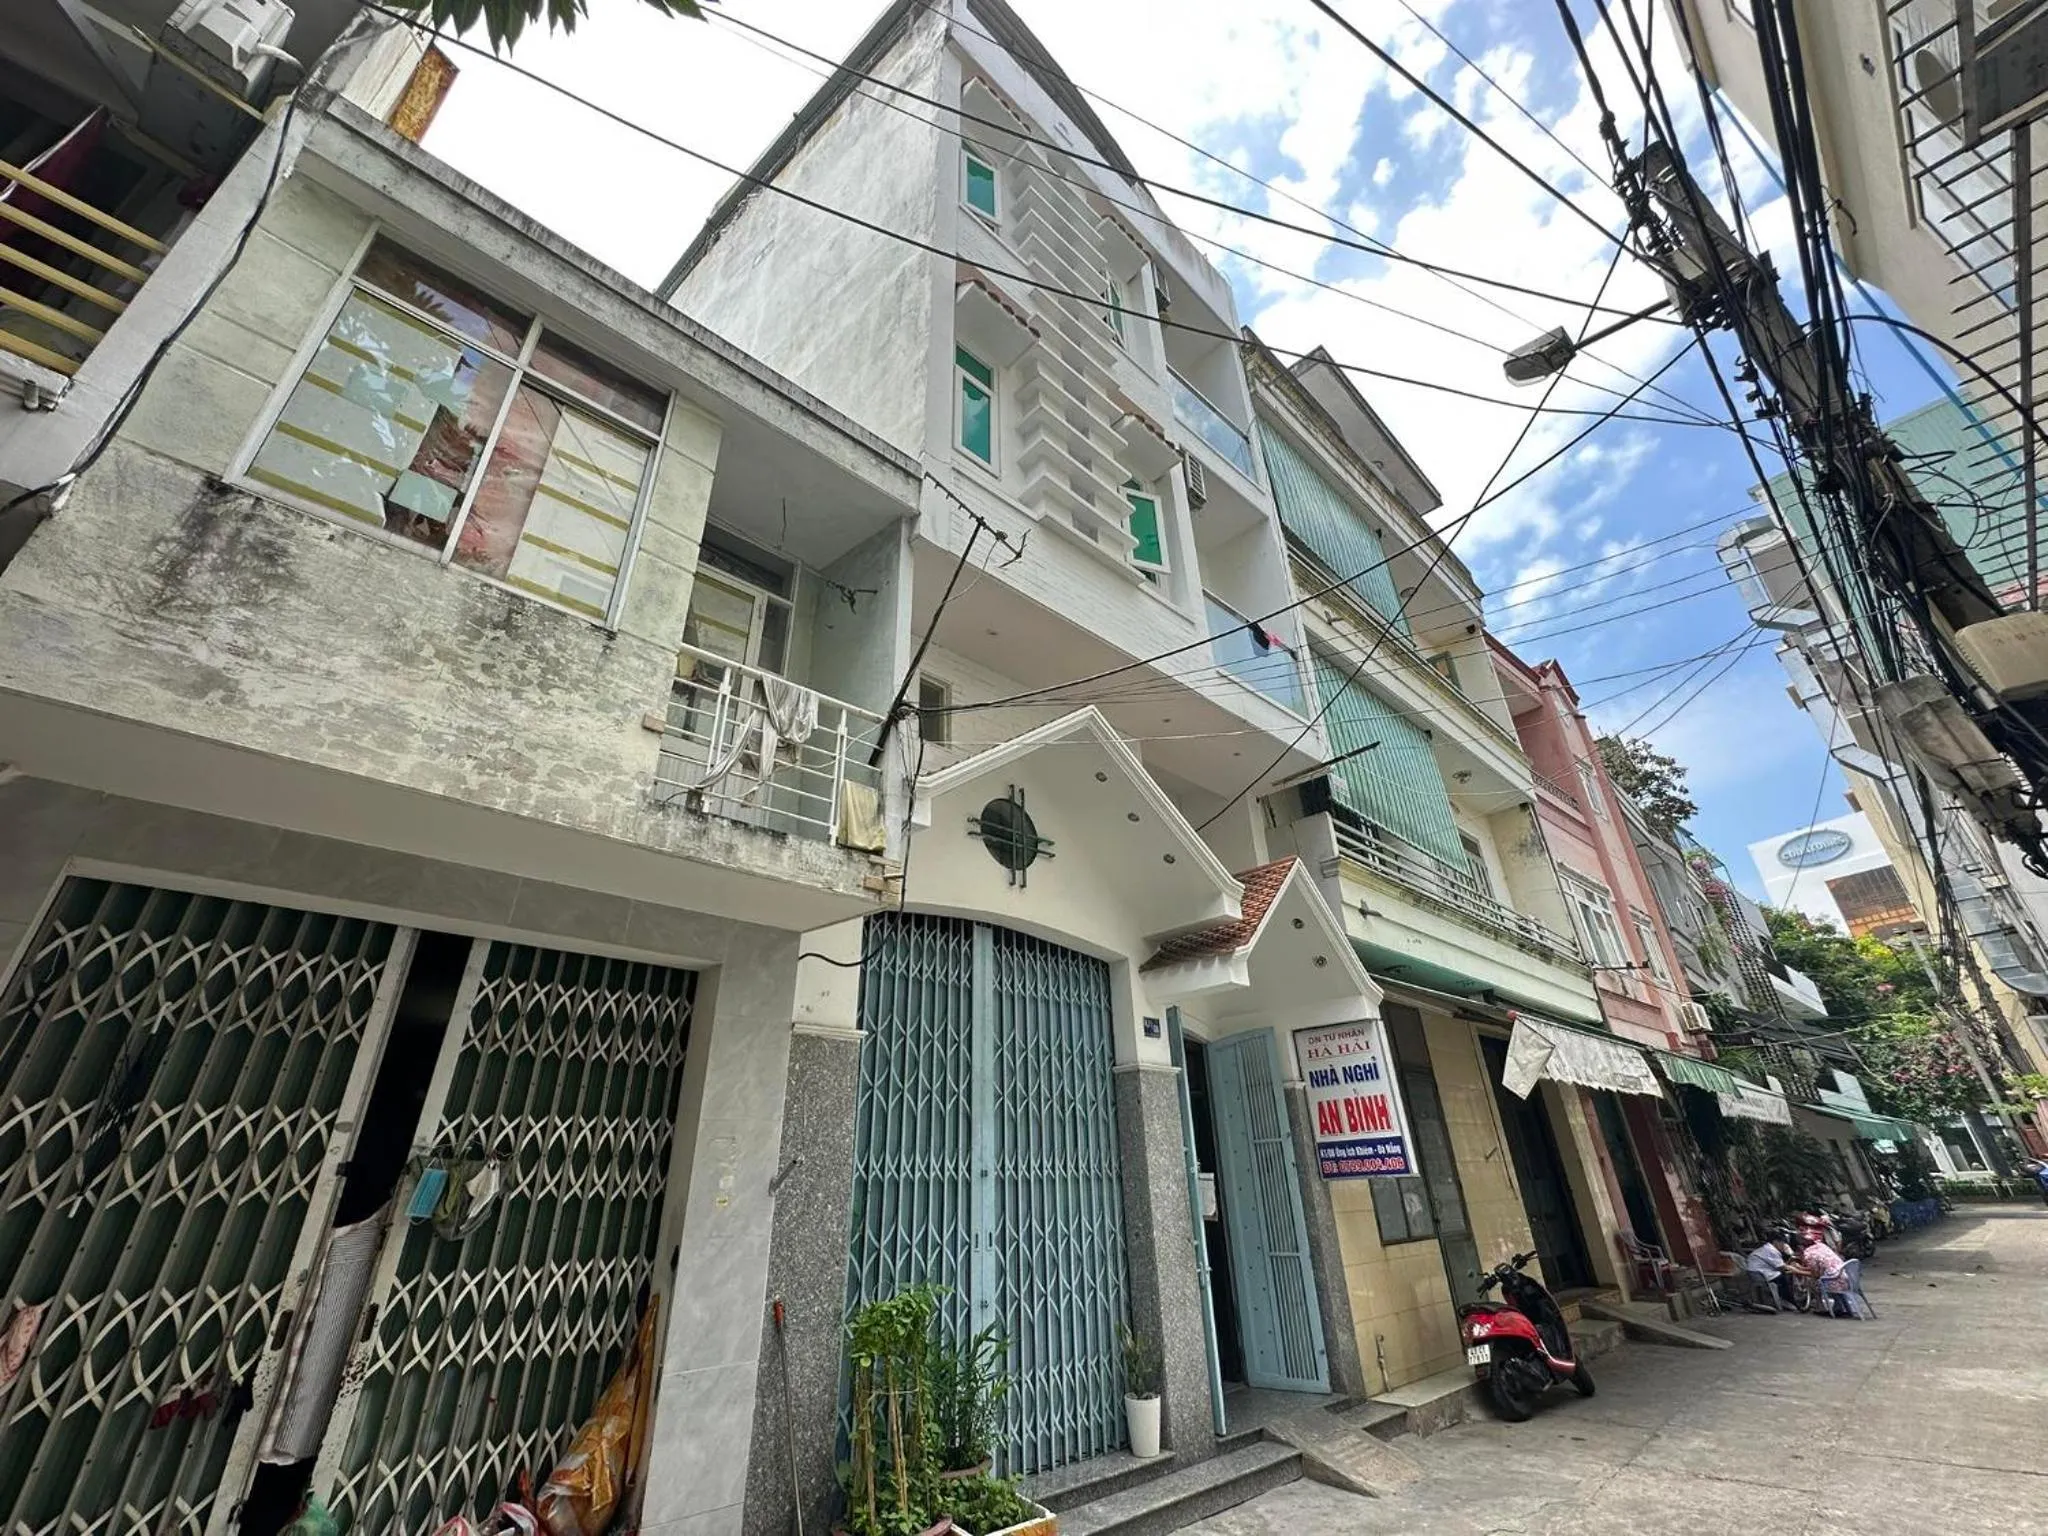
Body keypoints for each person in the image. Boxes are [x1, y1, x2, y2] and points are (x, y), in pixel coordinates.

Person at [1800, 1233, 1856, 1318]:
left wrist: (1797, 1270)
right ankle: (1838, 1307)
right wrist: (1801, 1268)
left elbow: (1815, 1274)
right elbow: (1819, 1269)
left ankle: (1821, 1307)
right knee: (1821, 1278)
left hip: (1836, 1281)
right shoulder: (1822, 1246)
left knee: (1811, 1282)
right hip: (1846, 1277)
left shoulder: (1809, 1254)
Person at [1743, 1235, 1797, 1310]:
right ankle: (1789, 1301)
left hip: (1762, 1270)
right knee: (1782, 1279)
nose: (1783, 1246)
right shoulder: (1771, 1250)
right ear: (1775, 1242)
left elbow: (1780, 1264)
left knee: (1783, 1276)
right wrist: (1796, 1269)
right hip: (1757, 1271)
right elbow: (1781, 1266)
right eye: (1782, 1243)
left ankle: (1787, 1300)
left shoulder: (1769, 1249)